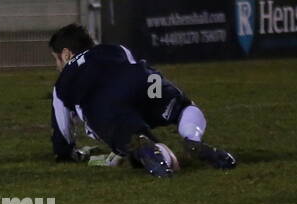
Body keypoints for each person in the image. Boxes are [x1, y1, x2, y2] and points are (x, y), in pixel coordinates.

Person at [48, 23, 237, 176]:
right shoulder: (117, 49)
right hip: (146, 83)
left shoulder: (62, 83)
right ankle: (193, 138)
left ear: (66, 54)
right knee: (183, 107)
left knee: (138, 143)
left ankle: (150, 151)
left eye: (57, 60)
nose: (57, 66)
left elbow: (63, 133)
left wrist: (65, 155)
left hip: (107, 106)